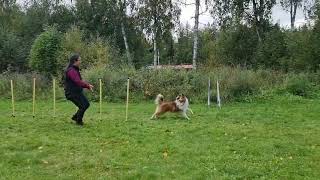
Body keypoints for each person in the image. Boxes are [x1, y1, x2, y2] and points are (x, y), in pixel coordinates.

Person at [64, 54, 94, 126]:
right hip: (72, 93)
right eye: (79, 60)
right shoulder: (71, 70)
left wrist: (86, 86)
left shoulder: (74, 69)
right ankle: (78, 121)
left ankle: (76, 117)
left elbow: (78, 82)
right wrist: (87, 86)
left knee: (85, 104)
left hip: (76, 92)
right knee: (83, 105)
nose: (81, 61)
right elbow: (77, 81)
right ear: (75, 61)